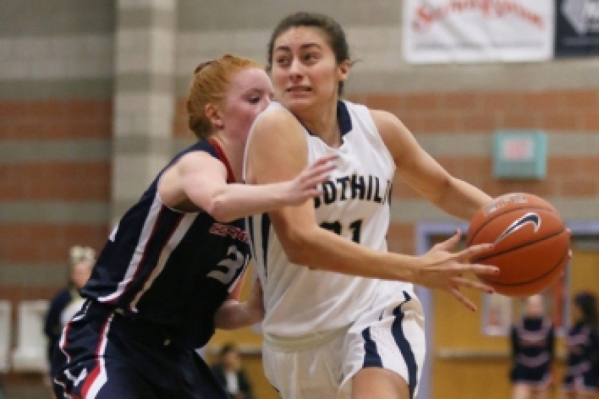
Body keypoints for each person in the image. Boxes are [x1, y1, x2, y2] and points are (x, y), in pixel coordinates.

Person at [243, 11, 502, 399]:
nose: (294, 70)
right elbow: (300, 241)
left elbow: (444, 188)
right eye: (283, 61)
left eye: (309, 57)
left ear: (342, 68)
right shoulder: (274, 128)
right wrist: (415, 268)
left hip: (375, 311)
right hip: (295, 343)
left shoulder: (378, 129)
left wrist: (523, 221)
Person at [50, 54, 336, 399]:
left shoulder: (253, 200)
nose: (270, 109)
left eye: (272, 99)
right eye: (254, 99)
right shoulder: (198, 164)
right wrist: (289, 191)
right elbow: (217, 201)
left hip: (176, 357)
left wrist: (252, 310)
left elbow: (220, 311)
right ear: (215, 115)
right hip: (114, 338)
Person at [509, 294, 555, 399]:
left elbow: (551, 351)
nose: (534, 307)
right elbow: (514, 351)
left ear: (542, 306)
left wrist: (550, 372)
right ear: (525, 305)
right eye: (531, 304)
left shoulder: (548, 326)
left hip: (542, 369)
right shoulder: (517, 327)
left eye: (537, 305)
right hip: (523, 370)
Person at [561, 292, 599, 399]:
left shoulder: (593, 330)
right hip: (570, 374)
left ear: (584, 309)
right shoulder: (572, 330)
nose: (573, 310)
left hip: (586, 376)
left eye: (576, 307)